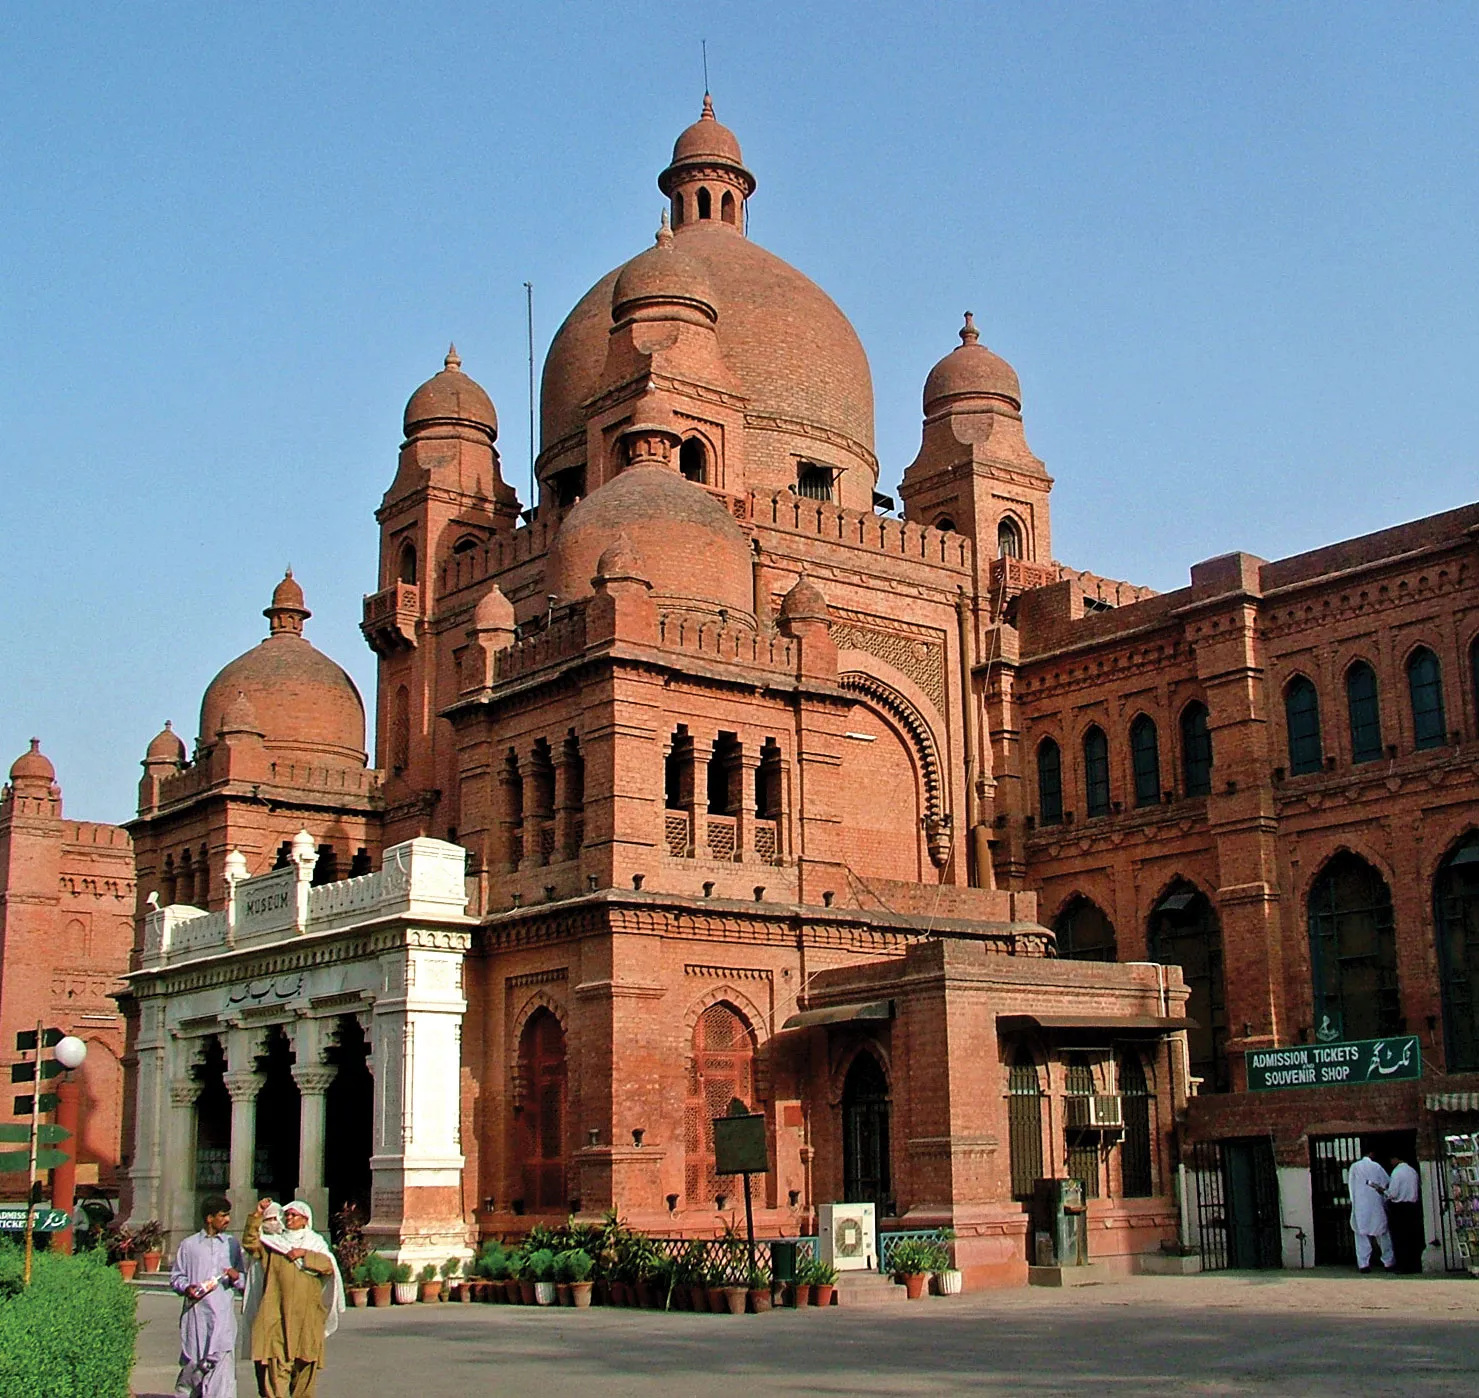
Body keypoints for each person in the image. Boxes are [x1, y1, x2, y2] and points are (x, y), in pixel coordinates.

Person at [241, 1197, 345, 1398]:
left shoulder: (316, 1244)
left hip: (306, 1320)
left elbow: (328, 1266)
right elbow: (250, 1243)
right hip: (277, 1318)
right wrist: (257, 1215)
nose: (289, 1218)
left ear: (305, 1219)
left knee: (304, 1374)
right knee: (275, 1376)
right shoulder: (273, 1244)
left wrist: (304, 1254)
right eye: (287, 1214)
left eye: (294, 1215)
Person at [169, 1194, 246, 1398]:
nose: (227, 1220)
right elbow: (176, 1277)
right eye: (223, 1215)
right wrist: (187, 1288)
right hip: (196, 1316)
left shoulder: (231, 1245)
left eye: (228, 1215)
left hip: (222, 1316)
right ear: (209, 1218)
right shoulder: (189, 1245)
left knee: (221, 1362)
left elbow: (244, 1280)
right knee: (194, 1363)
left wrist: (236, 1277)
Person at [1348, 1147, 1395, 1273]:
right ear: (1372, 1154)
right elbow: (1387, 1182)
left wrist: (1354, 1202)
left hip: (1360, 1207)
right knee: (1383, 1235)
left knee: (1361, 1236)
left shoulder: (1354, 1167)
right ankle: (1388, 1262)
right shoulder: (1377, 1167)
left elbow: (1351, 1187)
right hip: (1376, 1206)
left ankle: (1363, 1264)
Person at [1386, 1152, 1424, 1273]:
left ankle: (1403, 1266)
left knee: (1400, 1238)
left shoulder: (1397, 1172)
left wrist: (1382, 1190)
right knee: (1412, 1237)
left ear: (1395, 1158)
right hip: (1413, 1206)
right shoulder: (1412, 1171)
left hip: (1400, 1207)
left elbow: (1392, 1193)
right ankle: (1415, 1265)